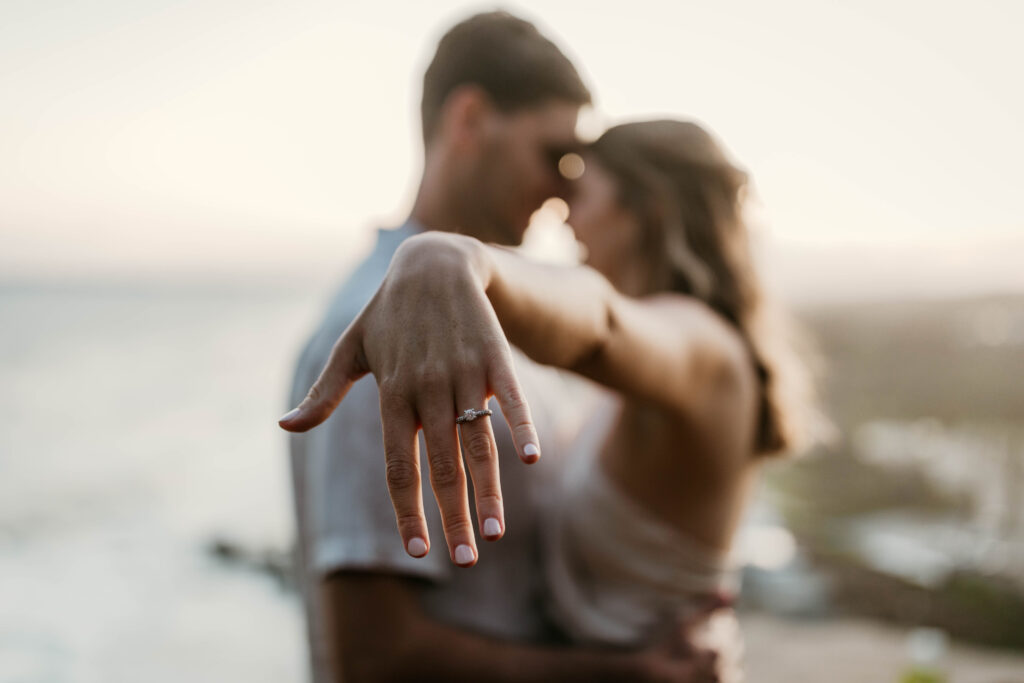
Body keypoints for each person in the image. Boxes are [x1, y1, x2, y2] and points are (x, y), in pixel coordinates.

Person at [283, 119, 820, 680]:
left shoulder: (702, 345)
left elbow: (601, 322)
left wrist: (459, 262)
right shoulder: (644, 379)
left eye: (581, 196)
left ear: (649, 208)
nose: (563, 221)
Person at [283, 12, 718, 683]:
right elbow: (371, 657)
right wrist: (630, 674)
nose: (564, 190)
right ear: (470, 120)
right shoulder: (387, 338)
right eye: (555, 155)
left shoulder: (491, 318)